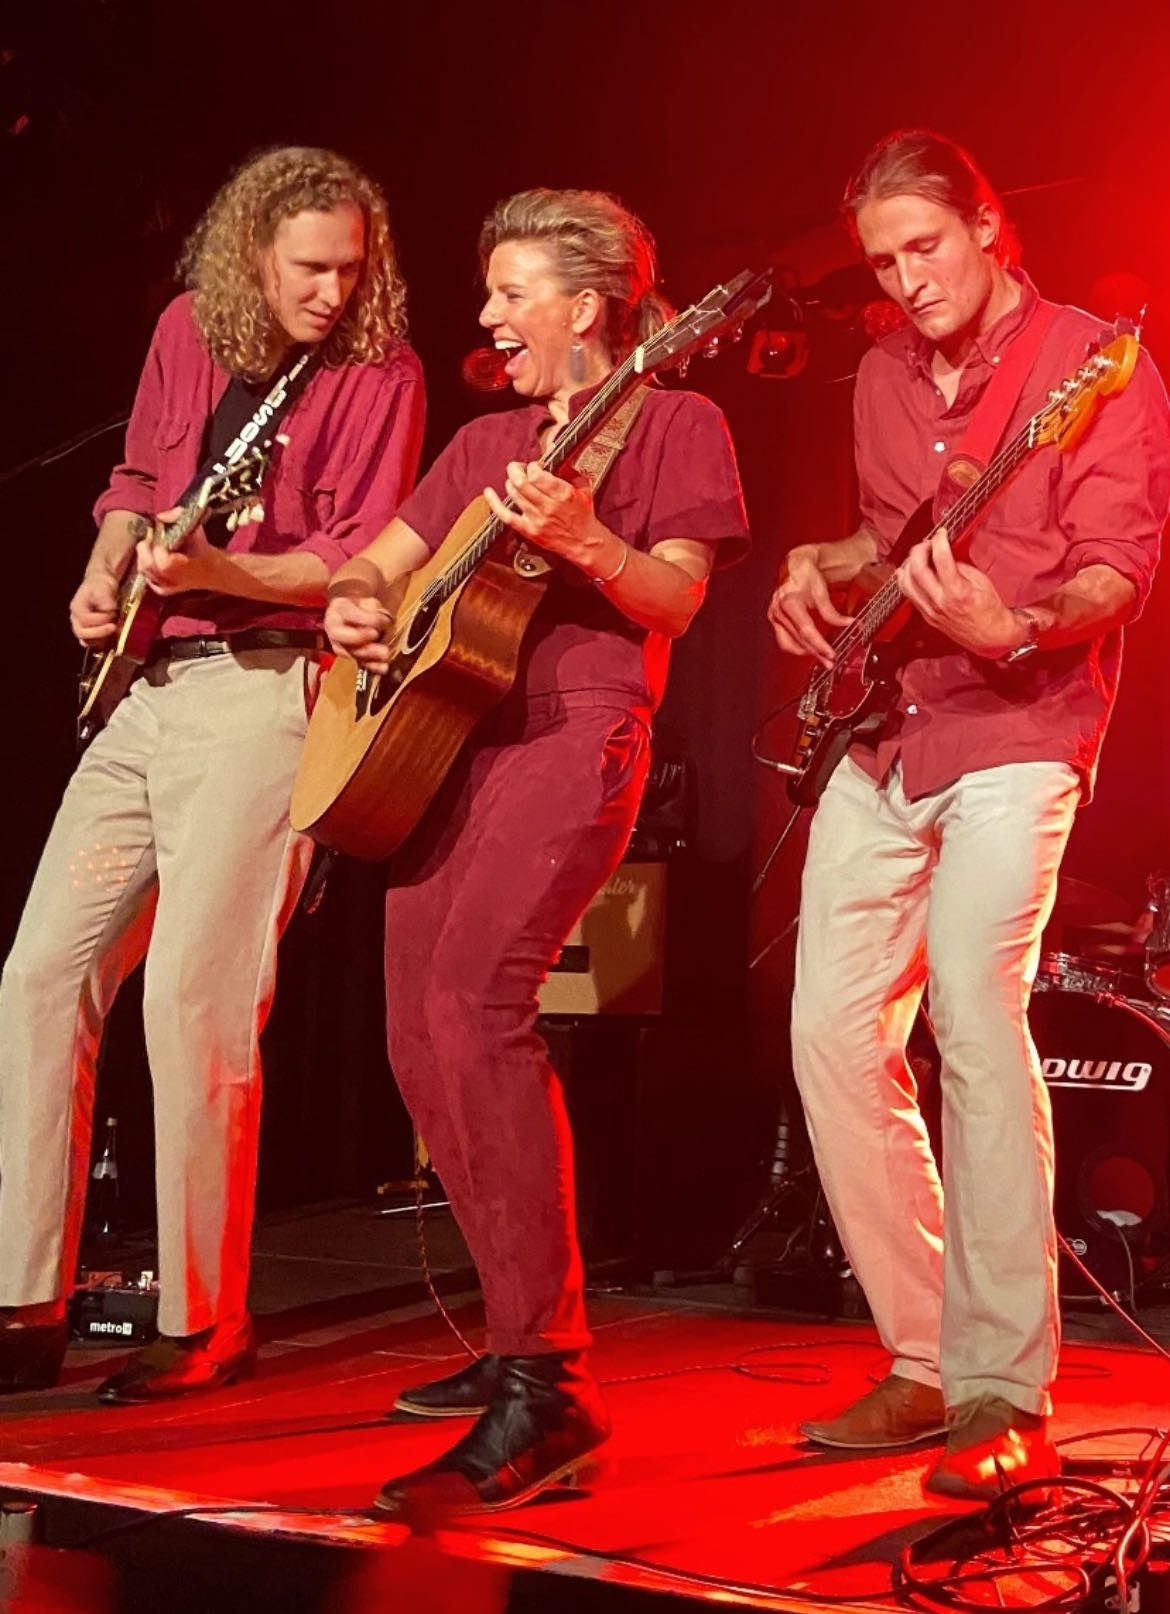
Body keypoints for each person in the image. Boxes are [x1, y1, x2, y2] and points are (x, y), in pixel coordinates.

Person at [324, 187, 749, 1516]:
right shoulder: (482, 440)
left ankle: (547, 1386)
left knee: (474, 1007)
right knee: (412, 1032)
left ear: (589, 306)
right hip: (445, 738)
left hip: (574, 728)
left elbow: (673, 591)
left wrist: (585, 540)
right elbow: (377, 567)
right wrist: (353, 610)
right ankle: (520, 1325)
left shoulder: (675, 418)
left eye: (512, 292)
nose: (489, 316)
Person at [768, 129, 1170, 1500]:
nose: (904, 280)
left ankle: (1003, 1380)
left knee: (973, 1014)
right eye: (881, 261)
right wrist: (807, 572)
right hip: (887, 731)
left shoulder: (1094, 366)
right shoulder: (880, 371)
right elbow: (890, 545)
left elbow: (1117, 568)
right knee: (827, 1030)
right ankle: (923, 1352)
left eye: (923, 246)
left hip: (1021, 727)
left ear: (988, 224)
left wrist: (1015, 624)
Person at [0, 145, 424, 1403]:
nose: (332, 292)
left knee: (195, 997)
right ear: (252, 254)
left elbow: (359, 559)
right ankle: (24, 1299)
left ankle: (204, 1316)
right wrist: (108, 570)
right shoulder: (189, 328)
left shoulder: (378, 373)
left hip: (262, 691)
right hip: (149, 686)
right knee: (37, 978)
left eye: (352, 269)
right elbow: (136, 483)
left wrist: (217, 576)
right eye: (308, 268)